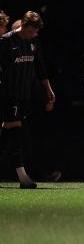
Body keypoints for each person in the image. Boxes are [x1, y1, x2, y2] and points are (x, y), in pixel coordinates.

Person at [0, 11, 55, 188]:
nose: (34, 34)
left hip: (26, 95)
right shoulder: (6, 42)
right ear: (23, 26)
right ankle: (23, 177)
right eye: (31, 31)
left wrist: (48, 90)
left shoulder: (33, 42)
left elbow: (40, 68)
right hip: (8, 95)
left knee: (9, 133)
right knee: (15, 131)